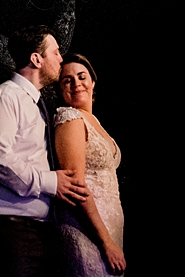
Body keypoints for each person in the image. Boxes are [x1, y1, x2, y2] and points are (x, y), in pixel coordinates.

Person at [0, 25, 89, 277]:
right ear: (36, 58)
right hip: (8, 225)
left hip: (34, 227)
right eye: (56, 52)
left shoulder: (35, 103)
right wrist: (50, 182)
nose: (62, 59)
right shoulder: (6, 95)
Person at [53, 54, 126, 276]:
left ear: (93, 82)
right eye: (67, 80)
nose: (76, 83)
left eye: (81, 76)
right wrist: (105, 241)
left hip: (110, 230)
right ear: (60, 89)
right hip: (87, 231)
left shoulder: (92, 120)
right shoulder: (71, 118)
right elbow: (76, 184)